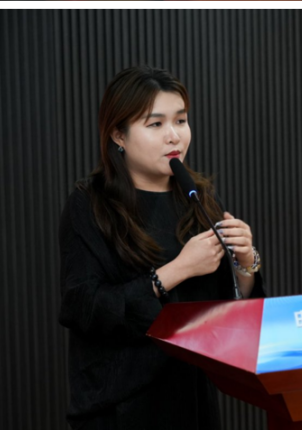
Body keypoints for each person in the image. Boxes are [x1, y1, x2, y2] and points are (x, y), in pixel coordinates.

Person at [59, 66, 265, 430]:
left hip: (192, 399)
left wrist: (245, 262)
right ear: (118, 135)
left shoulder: (198, 198)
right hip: (120, 405)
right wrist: (177, 270)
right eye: (156, 124)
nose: (175, 136)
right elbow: (84, 307)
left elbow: (228, 311)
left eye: (181, 121)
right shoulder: (90, 205)